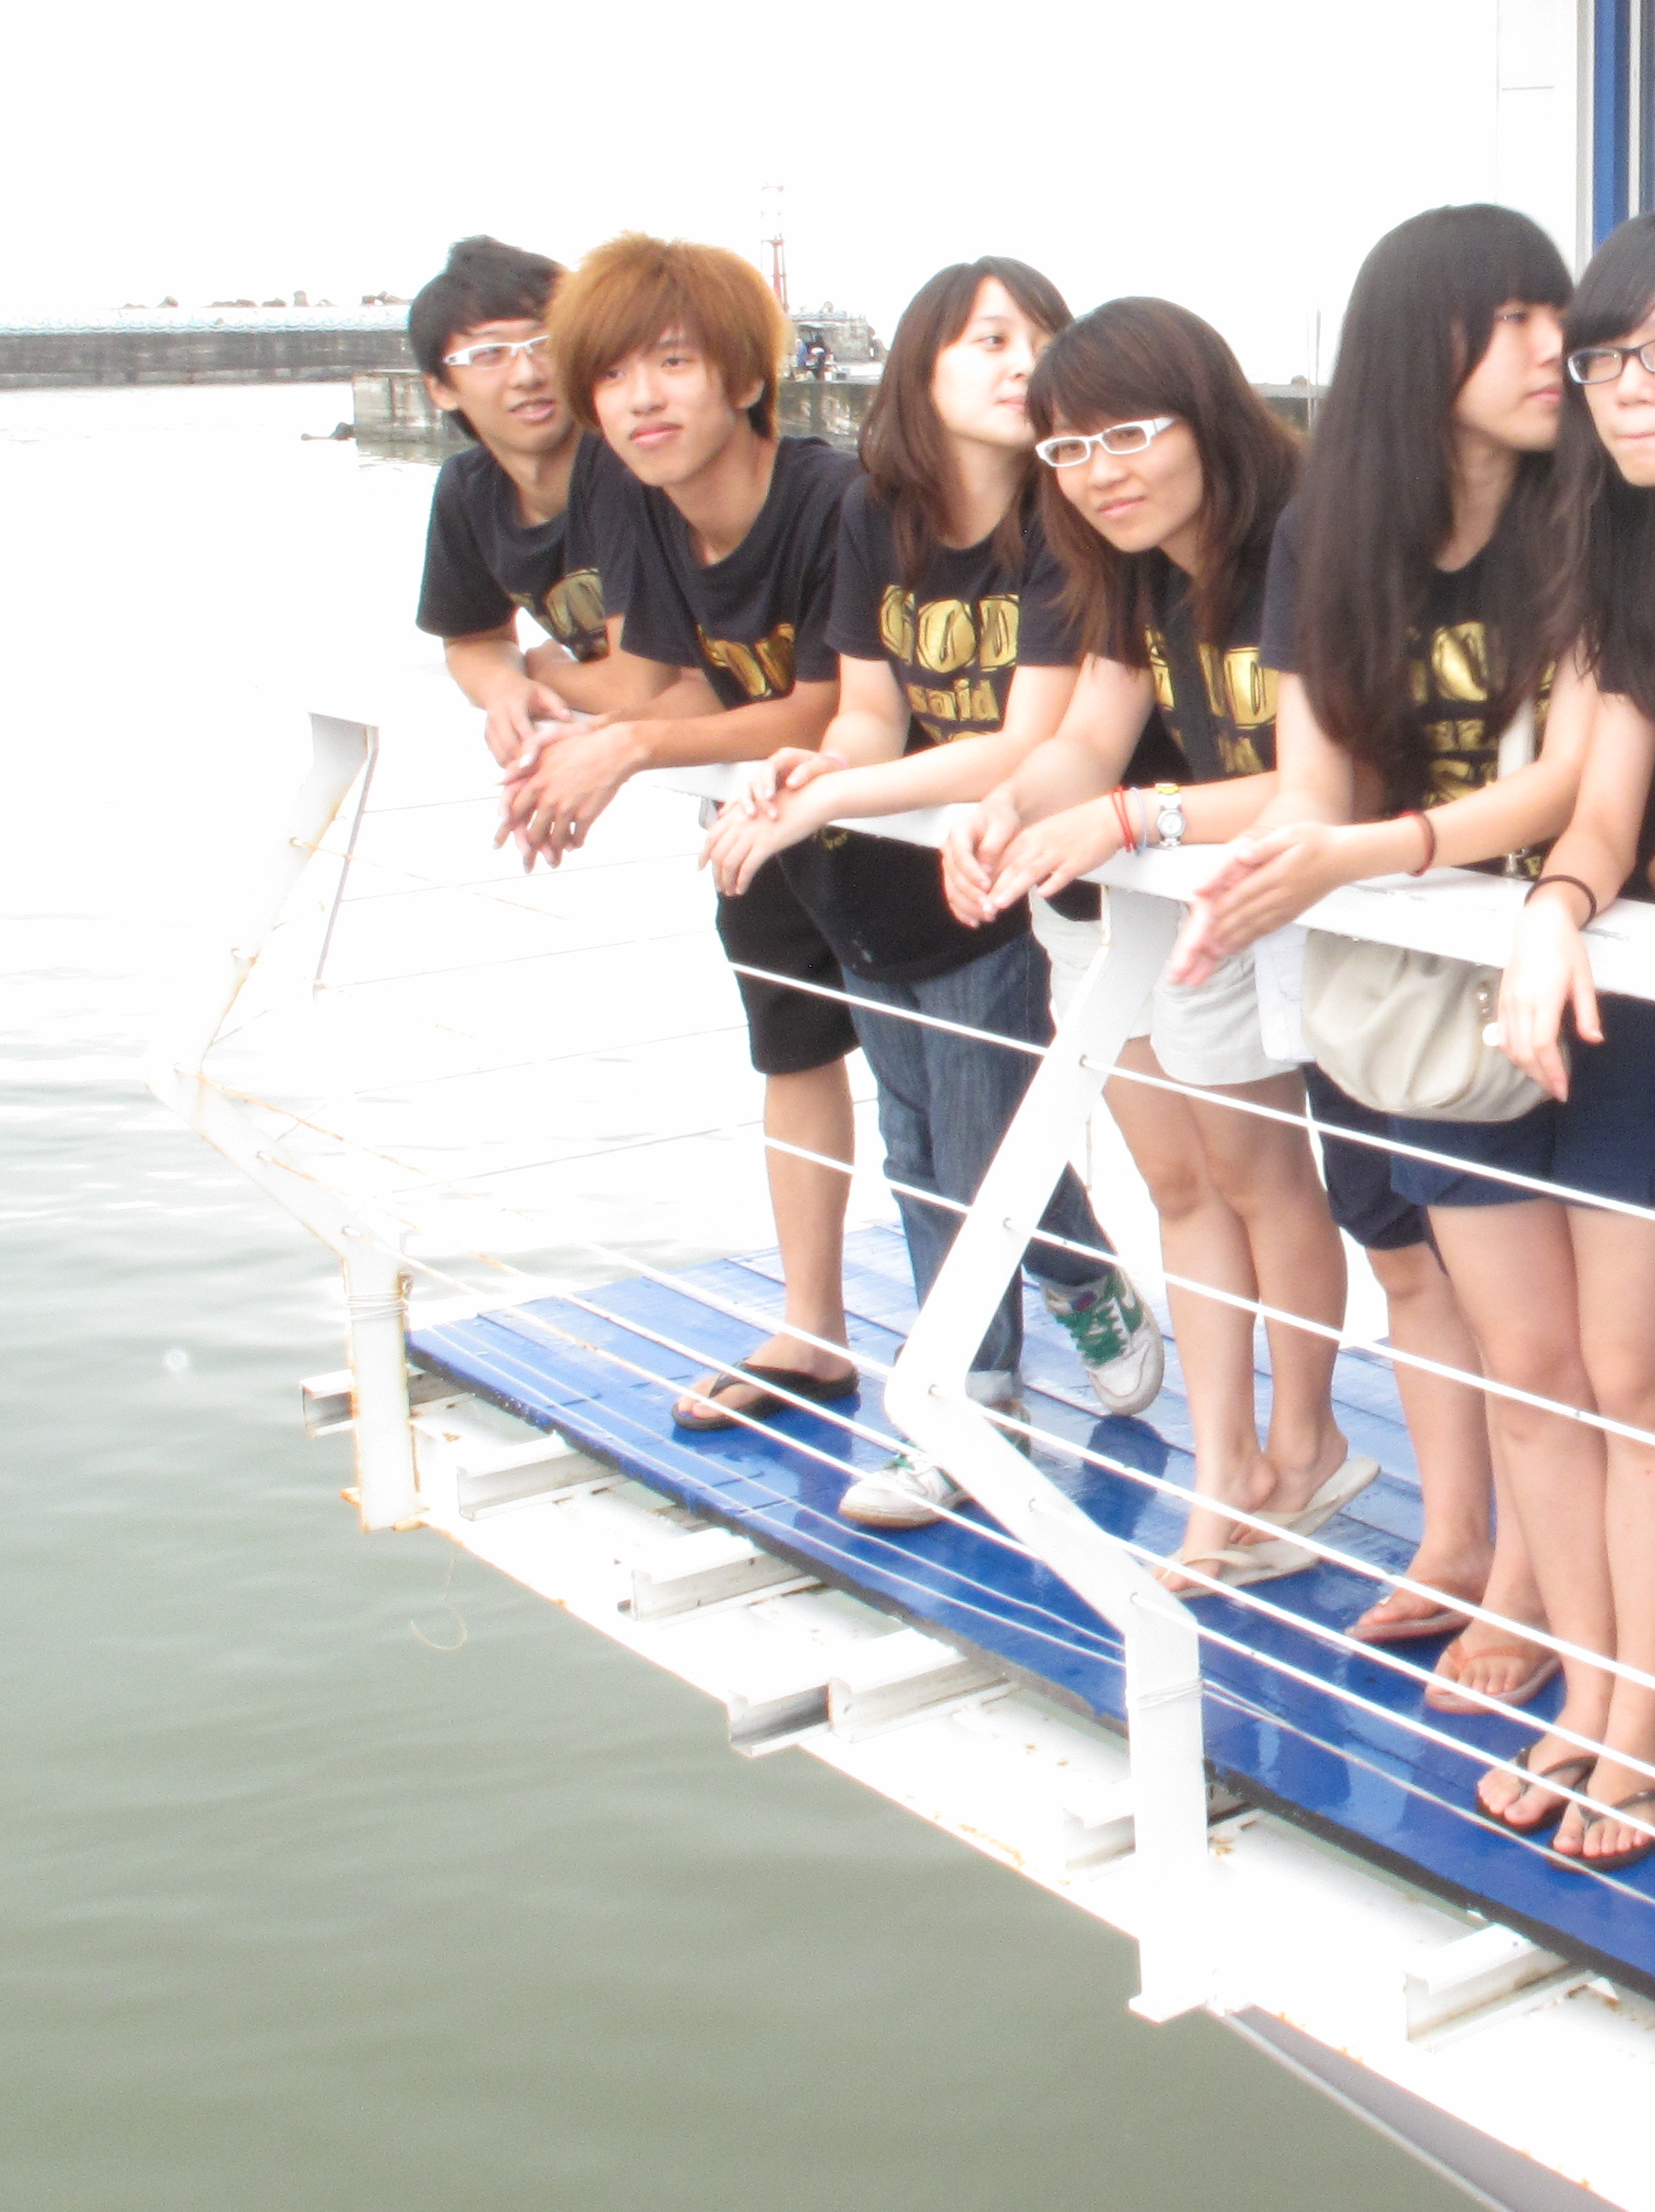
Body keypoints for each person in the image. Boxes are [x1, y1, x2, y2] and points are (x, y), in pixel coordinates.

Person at [1332, 207, 1655, 1872]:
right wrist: (1556, 903)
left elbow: (1628, 807)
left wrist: (1579, 896)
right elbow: (1597, 804)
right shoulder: (1604, 535)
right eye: (1604, 355)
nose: (1612, 381)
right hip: (1499, 984)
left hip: (1638, 1016)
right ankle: (1587, 1700)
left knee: (1638, 1375)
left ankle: (1639, 1728)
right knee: (1529, 1369)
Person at [1168, 205, 1585, 1686]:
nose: (1553, 349)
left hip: (1556, 947)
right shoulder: (1333, 534)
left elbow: (1573, 785)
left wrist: (1361, 848)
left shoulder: (1581, 515)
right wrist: (1266, 865)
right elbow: (1314, 779)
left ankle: (1527, 1585)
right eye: (1513, 320)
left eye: (1558, 314)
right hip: (1389, 967)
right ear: (1423, 345)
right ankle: (1460, 1542)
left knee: (1544, 1325)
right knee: (1414, 1257)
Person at [698, 257, 1161, 1528]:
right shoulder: (874, 514)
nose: (1025, 364)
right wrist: (815, 774)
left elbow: (1026, 742)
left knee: (964, 1141)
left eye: (1041, 338)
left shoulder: (1066, 528)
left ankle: (972, 1401)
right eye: (989, 341)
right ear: (922, 366)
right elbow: (865, 711)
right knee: (924, 1142)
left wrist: (839, 795)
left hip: (987, 876)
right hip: (875, 884)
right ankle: (1077, 1266)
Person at [957, 300, 1368, 1593]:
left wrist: (1134, 814)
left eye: (1129, 434)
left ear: (1208, 413)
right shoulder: (1131, 564)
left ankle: (1305, 1445)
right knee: (1189, 1185)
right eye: (1069, 450)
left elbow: (1326, 782)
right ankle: (1226, 1463)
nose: (1102, 473)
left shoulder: (1304, 538)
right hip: (1195, 897)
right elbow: (1092, 732)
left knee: (1264, 1177)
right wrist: (1013, 802)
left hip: (1294, 896)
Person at [492, 236, 881, 1433]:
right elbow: (672, 679)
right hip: (758, 826)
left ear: (747, 378)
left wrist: (629, 749)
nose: (640, 400)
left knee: (953, 1097)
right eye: (612, 376)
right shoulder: (641, 506)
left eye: (672, 363)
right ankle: (813, 1332)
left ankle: (1055, 1292)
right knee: (791, 1054)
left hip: (897, 825)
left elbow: (819, 706)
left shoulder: (836, 500)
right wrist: (565, 733)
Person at [406, 233, 646, 761]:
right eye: (488, 353)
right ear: (440, 387)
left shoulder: (628, 469)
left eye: (546, 343)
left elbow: (640, 688)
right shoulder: (469, 488)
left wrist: (546, 669)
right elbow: (473, 638)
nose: (528, 374)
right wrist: (504, 687)